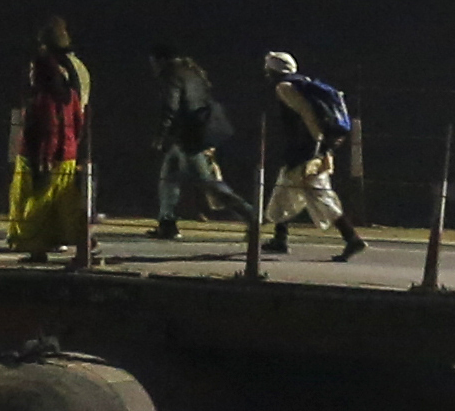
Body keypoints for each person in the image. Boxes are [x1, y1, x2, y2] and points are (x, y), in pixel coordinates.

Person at [261, 49, 360, 259]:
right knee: (301, 192)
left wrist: (318, 146)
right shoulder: (302, 83)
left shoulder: (284, 87)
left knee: (300, 193)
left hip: (305, 150)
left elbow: (307, 114)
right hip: (312, 148)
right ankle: (281, 238)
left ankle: (351, 239)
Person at [6, 18, 86, 260]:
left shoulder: (42, 99)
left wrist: (44, 159)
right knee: (66, 203)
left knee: (32, 203)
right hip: (67, 154)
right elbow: (78, 123)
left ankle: (34, 245)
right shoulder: (71, 91)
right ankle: (83, 245)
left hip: (39, 156)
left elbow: (45, 129)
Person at [149, 48, 238, 239]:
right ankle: (167, 223)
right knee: (169, 178)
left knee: (209, 183)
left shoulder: (172, 75)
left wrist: (160, 136)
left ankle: (249, 215)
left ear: (161, 60)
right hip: (191, 136)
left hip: (188, 139)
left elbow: (170, 109)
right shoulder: (194, 73)